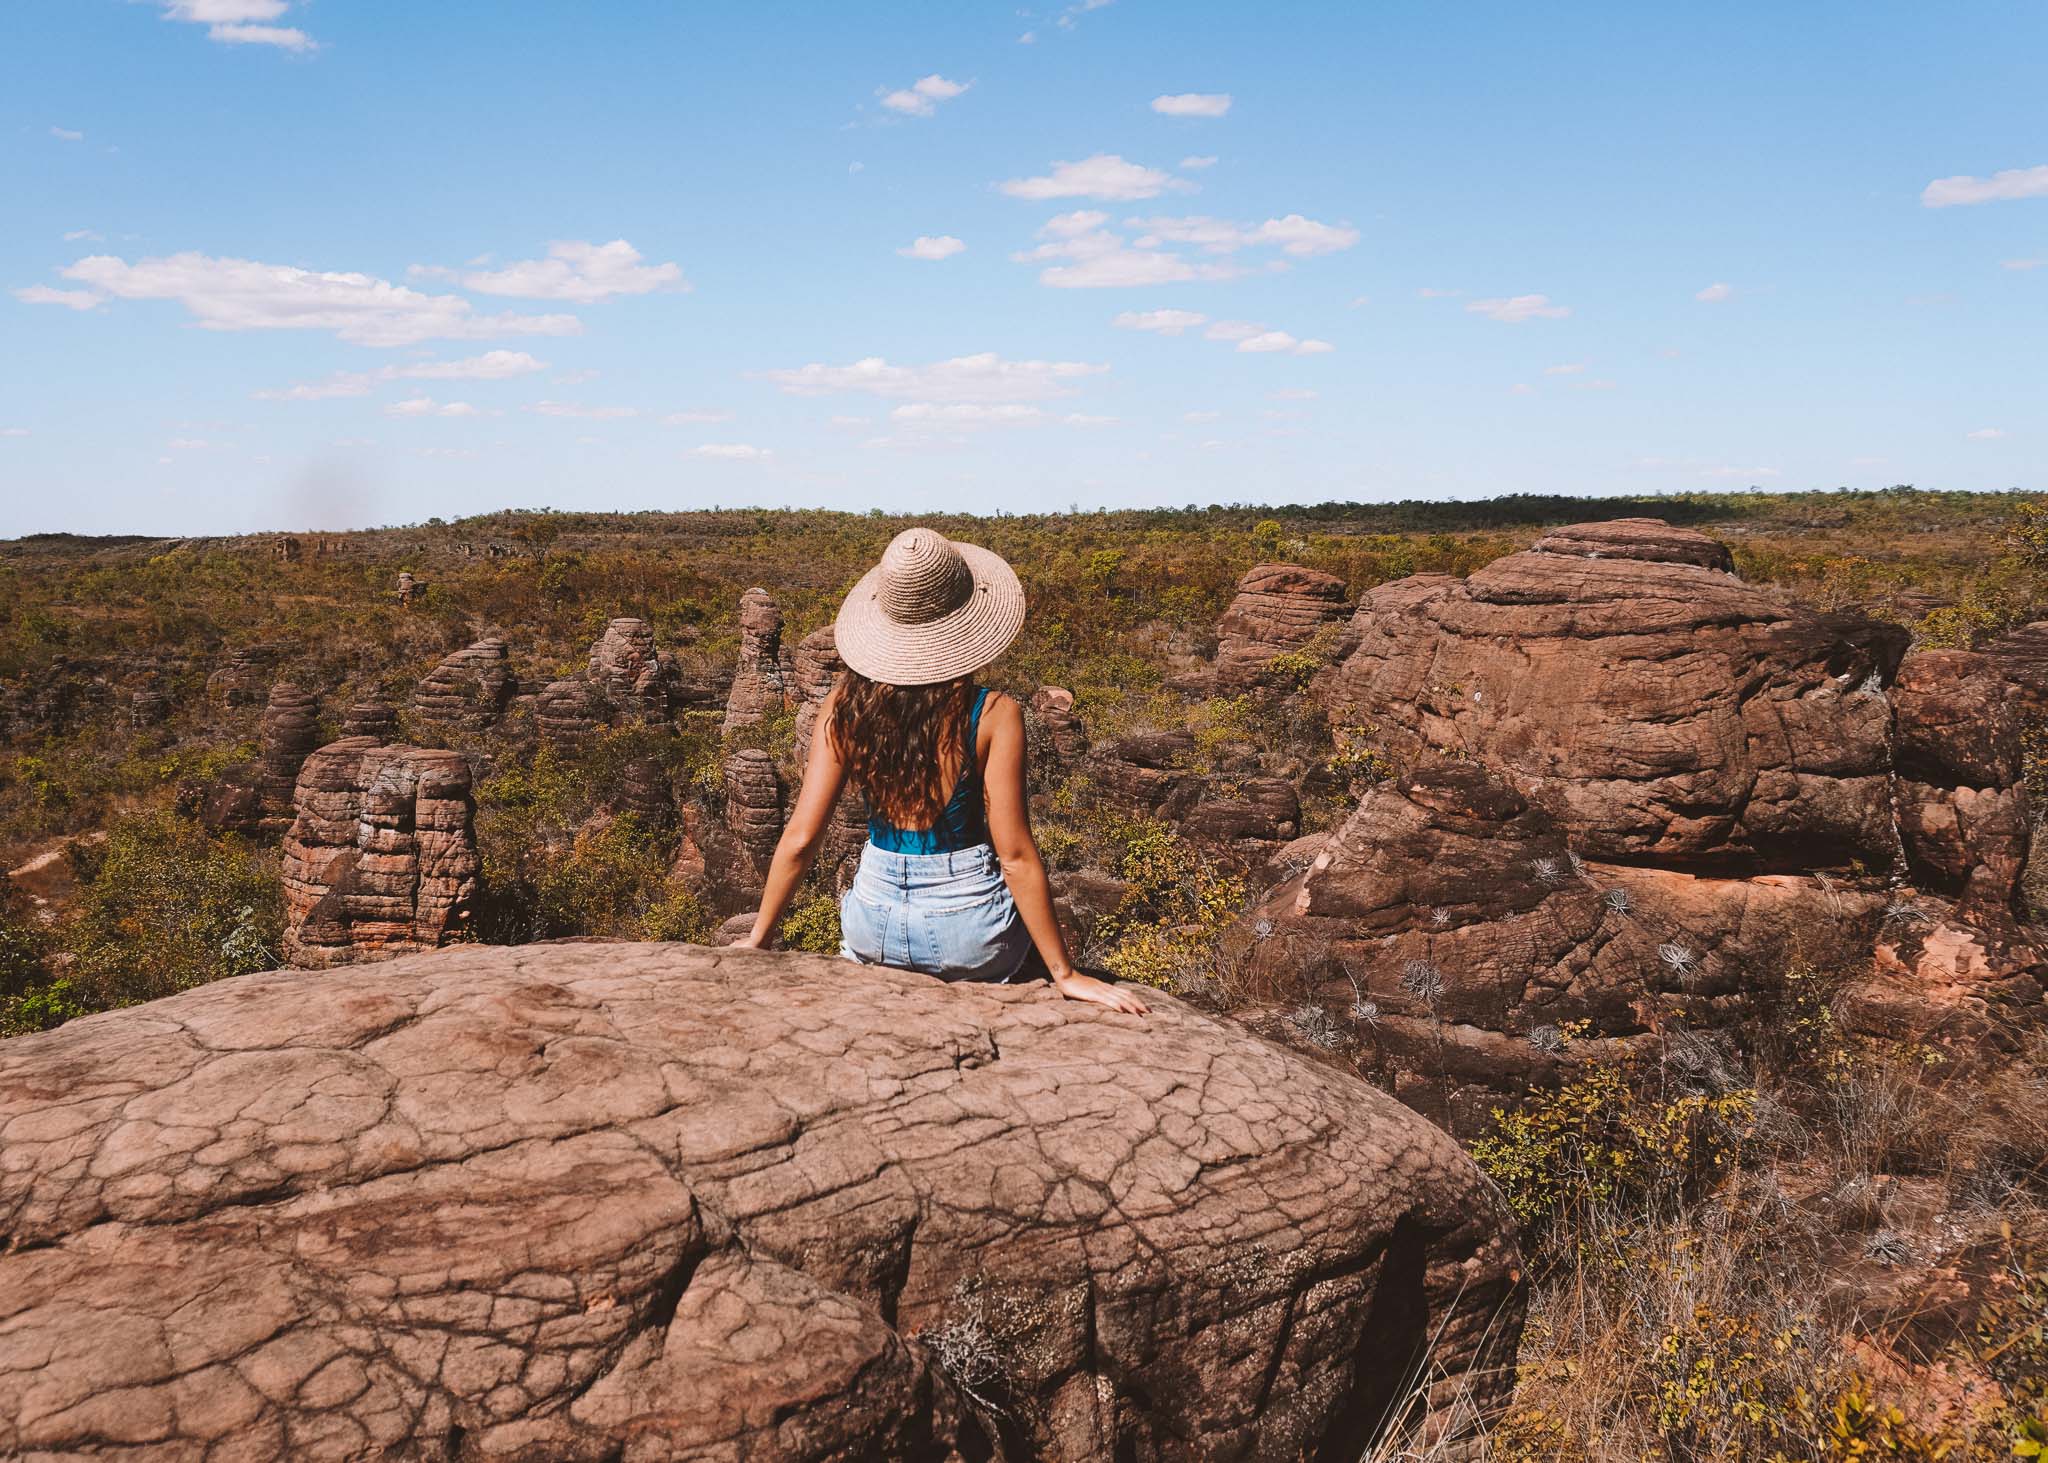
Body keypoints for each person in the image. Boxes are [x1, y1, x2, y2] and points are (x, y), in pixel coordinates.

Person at [737, 527, 1148, 1015]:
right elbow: (1015, 854)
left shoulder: (841, 707)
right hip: (967, 931)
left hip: (874, 926)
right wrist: (1066, 974)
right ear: (965, 623)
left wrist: (759, 939)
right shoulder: (995, 713)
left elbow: (803, 837)